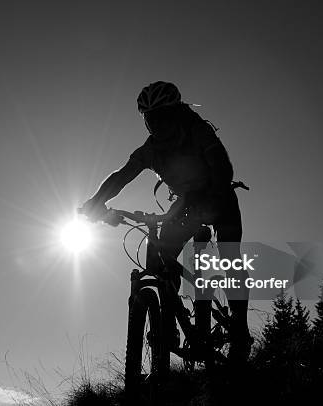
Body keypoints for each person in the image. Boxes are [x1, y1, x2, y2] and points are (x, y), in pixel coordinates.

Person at [80, 81, 251, 360]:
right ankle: (167, 327)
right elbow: (123, 175)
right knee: (159, 251)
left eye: (161, 116)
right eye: (150, 119)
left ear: (175, 112)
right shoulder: (152, 149)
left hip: (219, 198)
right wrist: (96, 203)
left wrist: (212, 199)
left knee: (229, 257)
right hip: (185, 205)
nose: (157, 125)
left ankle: (240, 332)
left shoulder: (197, 130)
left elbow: (222, 166)